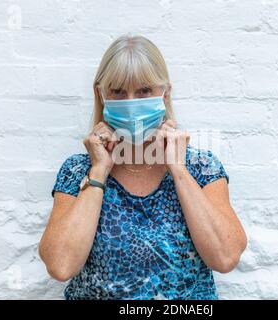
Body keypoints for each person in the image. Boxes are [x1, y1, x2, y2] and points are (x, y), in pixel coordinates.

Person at [38, 34, 247, 300]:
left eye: (144, 91)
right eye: (118, 91)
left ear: (165, 93)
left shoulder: (200, 167)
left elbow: (226, 257)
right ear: (100, 94)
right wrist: (99, 171)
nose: (131, 103)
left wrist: (178, 169)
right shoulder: (79, 171)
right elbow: (60, 265)